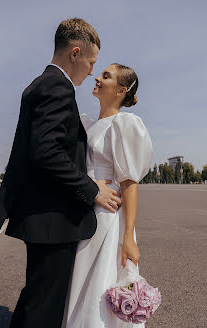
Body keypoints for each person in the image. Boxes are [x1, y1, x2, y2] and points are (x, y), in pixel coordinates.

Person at [0, 19, 121, 328]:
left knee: (37, 296)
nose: (91, 71)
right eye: (91, 62)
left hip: (41, 214)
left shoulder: (40, 83)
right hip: (53, 217)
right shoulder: (57, 87)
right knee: (44, 307)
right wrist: (91, 188)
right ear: (75, 53)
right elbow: (46, 153)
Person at [63, 63, 153, 328]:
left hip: (107, 215)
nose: (98, 79)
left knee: (101, 282)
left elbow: (129, 182)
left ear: (121, 90)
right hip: (85, 206)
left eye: (106, 76)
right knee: (80, 281)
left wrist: (128, 237)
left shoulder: (124, 124)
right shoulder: (89, 124)